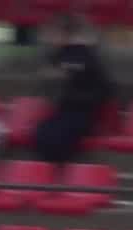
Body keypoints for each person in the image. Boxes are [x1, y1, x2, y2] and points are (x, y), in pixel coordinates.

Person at [30, 14, 114, 166]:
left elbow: (103, 90)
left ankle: (61, 171)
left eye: (54, 33)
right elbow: (50, 79)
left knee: (55, 137)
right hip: (64, 111)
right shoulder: (58, 55)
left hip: (82, 113)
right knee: (41, 134)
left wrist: (64, 77)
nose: (50, 38)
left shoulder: (85, 55)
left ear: (65, 34)